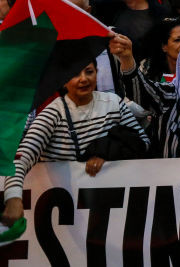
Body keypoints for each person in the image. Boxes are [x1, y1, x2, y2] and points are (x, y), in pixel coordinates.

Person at [1, 56, 150, 225]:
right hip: (68, 219)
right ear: (63, 81)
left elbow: (143, 142)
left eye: (89, 72)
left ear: (97, 73)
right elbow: (21, 159)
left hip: (112, 213)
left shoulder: (114, 103)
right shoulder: (53, 114)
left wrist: (106, 151)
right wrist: (13, 198)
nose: (83, 79)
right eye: (75, 74)